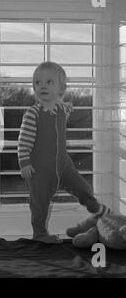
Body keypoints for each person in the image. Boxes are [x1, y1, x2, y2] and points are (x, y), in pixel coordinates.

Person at [17, 61, 111, 244]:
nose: (42, 86)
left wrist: (70, 104)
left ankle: (94, 206)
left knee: (82, 187)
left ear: (62, 88)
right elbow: (24, 141)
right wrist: (24, 162)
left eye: (49, 82)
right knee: (39, 205)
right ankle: (40, 234)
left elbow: (68, 108)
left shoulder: (62, 109)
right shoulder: (32, 113)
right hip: (40, 170)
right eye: (38, 83)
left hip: (63, 165)